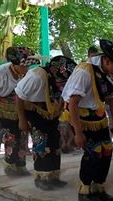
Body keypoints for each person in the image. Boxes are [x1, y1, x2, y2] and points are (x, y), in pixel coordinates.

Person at [62, 39, 113, 201]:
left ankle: (99, 187)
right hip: (79, 116)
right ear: (106, 60)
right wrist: (78, 133)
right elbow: (73, 102)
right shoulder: (84, 72)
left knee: (106, 150)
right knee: (93, 152)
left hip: (99, 116)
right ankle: (85, 189)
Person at [15, 56, 77, 191]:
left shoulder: (59, 79)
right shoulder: (37, 76)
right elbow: (19, 97)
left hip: (51, 112)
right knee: (42, 142)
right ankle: (41, 177)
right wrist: (22, 119)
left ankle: (53, 176)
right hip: (33, 110)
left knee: (55, 142)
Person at [0, 47, 40, 176]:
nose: (26, 69)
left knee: (22, 136)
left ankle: (21, 166)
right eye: (24, 66)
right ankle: (10, 166)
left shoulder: (26, 73)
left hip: (20, 107)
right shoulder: (1, 72)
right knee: (11, 137)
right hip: (4, 109)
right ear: (15, 64)